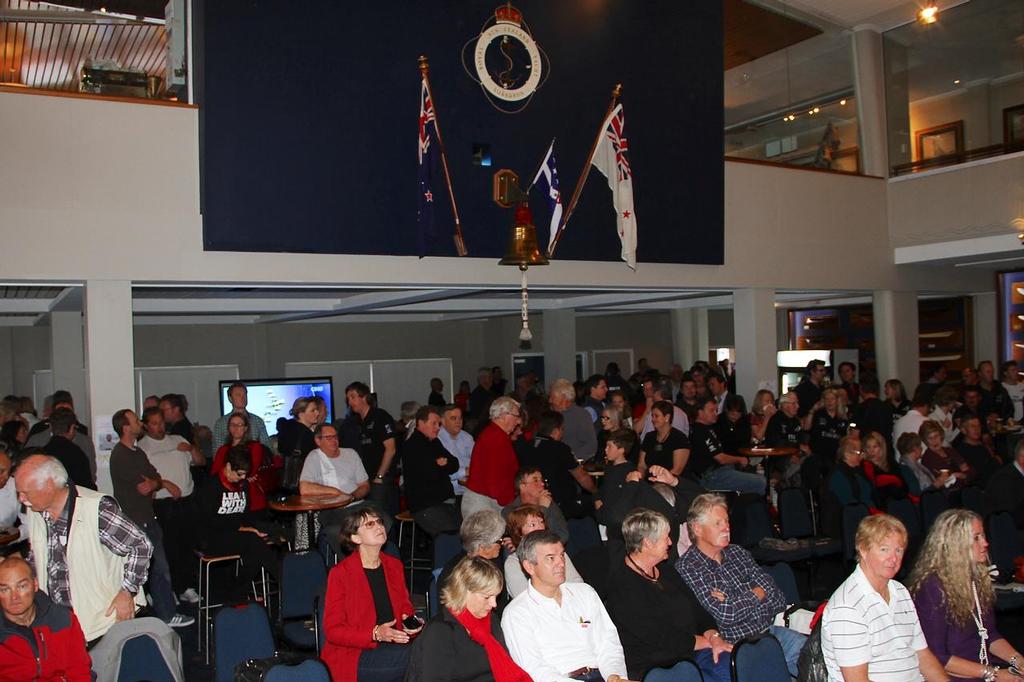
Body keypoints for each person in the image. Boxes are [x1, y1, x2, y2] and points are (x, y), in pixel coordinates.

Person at [15, 455, 152, 642]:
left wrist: (127, 591)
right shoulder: (36, 511)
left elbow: (140, 545)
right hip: (59, 621)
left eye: (25, 492)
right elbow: (39, 555)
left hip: (102, 623)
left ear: (49, 485)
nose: (21, 499)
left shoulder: (96, 509)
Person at [675, 494, 806, 677]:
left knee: (815, 656)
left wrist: (736, 600)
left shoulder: (738, 553)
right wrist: (757, 593)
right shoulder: (688, 567)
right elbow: (726, 616)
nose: (726, 528)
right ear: (697, 529)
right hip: (736, 646)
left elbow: (778, 599)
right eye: (718, 523)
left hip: (770, 633)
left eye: (727, 521)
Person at [606, 508, 732, 682]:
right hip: (656, 664)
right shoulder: (622, 586)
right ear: (648, 543)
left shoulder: (666, 571)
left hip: (692, 652)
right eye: (666, 537)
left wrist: (714, 636)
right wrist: (706, 642)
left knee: (731, 665)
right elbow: (660, 637)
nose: (670, 542)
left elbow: (698, 610)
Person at [821, 514, 948, 681]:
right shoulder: (847, 607)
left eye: (898, 550)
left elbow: (922, 655)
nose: (893, 558)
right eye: (884, 549)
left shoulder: (900, 591)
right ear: (863, 549)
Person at [501, 529, 631, 682]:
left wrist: (614, 676)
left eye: (562, 555)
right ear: (529, 567)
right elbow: (534, 670)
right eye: (551, 558)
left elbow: (608, 643)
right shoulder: (517, 613)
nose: (561, 563)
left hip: (603, 675)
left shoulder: (584, 593)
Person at [909, 509, 1024, 681]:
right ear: (956, 544)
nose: (985, 543)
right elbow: (936, 657)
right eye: (976, 538)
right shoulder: (932, 588)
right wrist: (993, 674)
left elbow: (989, 635)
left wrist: (1018, 660)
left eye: (983, 535)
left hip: (982, 671)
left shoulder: (976, 579)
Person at [108, 409, 193, 629]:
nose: (140, 423)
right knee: (157, 568)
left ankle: (161, 608)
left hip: (148, 517)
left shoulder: (137, 453)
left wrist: (157, 482)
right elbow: (144, 486)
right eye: (136, 421)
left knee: (158, 567)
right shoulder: (121, 455)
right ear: (126, 427)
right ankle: (165, 614)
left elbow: (153, 478)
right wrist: (156, 483)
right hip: (136, 521)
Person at [321, 507, 419, 682]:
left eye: (379, 522)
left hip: (393, 645)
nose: (379, 527)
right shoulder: (340, 574)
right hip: (355, 654)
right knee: (417, 657)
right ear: (355, 538)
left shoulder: (394, 566)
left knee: (431, 646)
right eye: (370, 524)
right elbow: (333, 631)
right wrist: (375, 633)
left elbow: (405, 607)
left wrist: (410, 623)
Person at [406, 555, 531, 682]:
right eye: (487, 597)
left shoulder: (491, 620)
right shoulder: (441, 630)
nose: (494, 604)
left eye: (496, 596)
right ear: (465, 592)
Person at [195, 446, 282, 597]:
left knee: (266, 540)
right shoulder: (211, 486)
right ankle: (285, 580)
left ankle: (237, 594)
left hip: (236, 535)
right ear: (228, 467)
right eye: (240, 473)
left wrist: (255, 528)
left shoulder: (243, 485)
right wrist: (243, 529)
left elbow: (245, 515)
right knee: (253, 543)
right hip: (213, 539)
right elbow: (208, 522)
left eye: (245, 474)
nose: (242, 478)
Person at [138, 407, 201, 603]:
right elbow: (143, 477)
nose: (159, 427)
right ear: (146, 425)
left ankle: (187, 586)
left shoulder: (177, 439)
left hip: (187, 500)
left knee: (188, 544)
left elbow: (200, 461)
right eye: (155, 423)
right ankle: (171, 588)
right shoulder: (143, 447)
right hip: (163, 503)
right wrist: (164, 483)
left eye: (161, 422)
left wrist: (190, 448)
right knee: (168, 548)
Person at [0, 557, 92, 680]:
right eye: (5, 589)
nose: (14, 597)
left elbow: (80, 672)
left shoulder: (63, 620)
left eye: (21, 586)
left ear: (35, 585)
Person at [299, 423, 380, 554]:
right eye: (329, 437)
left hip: (357, 504)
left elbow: (365, 486)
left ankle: (376, 560)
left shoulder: (351, 454)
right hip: (333, 510)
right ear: (318, 441)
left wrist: (352, 496)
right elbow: (305, 488)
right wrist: (336, 493)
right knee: (350, 528)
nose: (334, 440)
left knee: (383, 519)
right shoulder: (314, 457)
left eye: (335, 436)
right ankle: (354, 565)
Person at [515, 411, 597, 519]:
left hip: (529, 501)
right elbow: (581, 477)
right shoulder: (560, 449)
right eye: (562, 430)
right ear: (555, 431)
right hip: (559, 504)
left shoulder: (523, 447)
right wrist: (596, 492)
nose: (562, 434)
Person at [401, 406, 461, 537]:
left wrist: (440, 465)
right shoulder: (412, 446)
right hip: (426, 505)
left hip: (444, 501)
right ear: (421, 423)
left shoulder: (434, 442)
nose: (438, 427)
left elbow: (454, 464)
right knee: (451, 536)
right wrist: (440, 465)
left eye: (438, 424)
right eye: (433, 423)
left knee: (465, 531)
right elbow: (429, 474)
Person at [437, 511, 510, 617]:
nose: (502, 543)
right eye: (499, 541)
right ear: (482, 546)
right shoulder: (456, 573)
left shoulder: (494, 561)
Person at [502, 504, 583, 598]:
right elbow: (522, 598)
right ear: (519, 533)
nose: (540, 527)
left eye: (541, 522)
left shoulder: (557, 551)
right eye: (532, 524)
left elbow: (577, 583)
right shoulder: (514, 562)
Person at [343, 382, 399, 514]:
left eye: (353, 397)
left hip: (380, 479)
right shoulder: (355, 421)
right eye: (348, 399)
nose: (350, 402)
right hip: (365, 480)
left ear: (364, 397)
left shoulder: (380, 416)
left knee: (381, 517)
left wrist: (379, 476)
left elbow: (391, 449)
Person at [688, 398, 764, 494]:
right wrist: (740, 459)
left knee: (757, 476)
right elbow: (720, 458)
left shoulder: (707, 429)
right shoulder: (700, 431)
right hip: (711, 475)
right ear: (700, 412)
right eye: (712, 411)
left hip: (719, 470)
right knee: (760, 482)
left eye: (716, 410)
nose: (715, 413)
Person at [462, 397, 521, 517]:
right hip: (484, 504)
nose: (518, 421)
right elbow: (496, 479)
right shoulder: (497, 438)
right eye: (516, 416)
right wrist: (510, 505)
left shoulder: (492, 434)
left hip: (483, 500)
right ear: (504, 415)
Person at [211, 411, 279, 513]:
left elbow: (250, 470)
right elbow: (215, 473)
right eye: (233, 425)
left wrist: (231, 475)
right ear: (228, 427)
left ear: (246, 428)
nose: (236, 427)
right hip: (227, 499)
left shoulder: (255, 447)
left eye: (240, 424)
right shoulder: (223, 450)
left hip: (252, 498)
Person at [42, 407, 93, 490]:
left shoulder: (42, 454)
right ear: (72, 428)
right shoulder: (77, 454)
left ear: (51, 427)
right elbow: (86, 484)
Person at [212, 381, 272, 450]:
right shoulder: (221, 423)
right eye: (238, 395)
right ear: (230, 399)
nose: (243, 398)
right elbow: (218, 452)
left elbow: (267, 448)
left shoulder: (257, 421)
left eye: (244, 395)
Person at [549, 378, 598, 461]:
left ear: (563, 397)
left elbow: (591, 445)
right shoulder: (550, 415)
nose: (550, 400)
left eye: (552, 397)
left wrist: (569, 459)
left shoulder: (581, 415)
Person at [277, 396, 320, 488]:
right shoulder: (307, 435)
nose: (317, 413)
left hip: (286, 482)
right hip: (304, 482)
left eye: (317, 409)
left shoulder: (286, 429)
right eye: (313, 410)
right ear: (301, 415)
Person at [638, 400, 690, 477]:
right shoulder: (649, 437)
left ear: (667, 417)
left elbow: (677, 470)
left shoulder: (679, 438)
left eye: (656, 416)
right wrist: (641, 481)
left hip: (671, 483)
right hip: (649, 482)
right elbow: (641, 465)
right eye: (652, 416)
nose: (653, 419)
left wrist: (658, 483)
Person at [919, 420, 974, 490]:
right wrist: (961, 475)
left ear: (941, 435)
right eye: (930, 438)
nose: (934, 440)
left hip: (966, 488)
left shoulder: (949, 450)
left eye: (936, 436)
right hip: (949, 495)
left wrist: (961, 475)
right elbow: (945, 483)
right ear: (925, 441)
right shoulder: (927, 459)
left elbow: (971, 471)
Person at [986, 439, 1024, 533]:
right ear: (1022, 458)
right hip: (1007, 531)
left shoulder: (1018, 473)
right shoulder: (1004, 480)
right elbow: (1010, 515)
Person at [860, 431, 909, 505]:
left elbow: (904, 486)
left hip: (899, 501)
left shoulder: (891, 463)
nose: (872, 451)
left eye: (875, 446)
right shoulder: (865, 466)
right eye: (868, 447)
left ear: (881, 447)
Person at [897, 432, 952, 496]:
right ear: (915, 448)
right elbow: (916, 493)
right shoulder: (905, 469)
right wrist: (936, 484)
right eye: (920, 446)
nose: (921, 449)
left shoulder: (916, 465)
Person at [438, 404, 473, 499]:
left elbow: (479, 460)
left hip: (469, 490)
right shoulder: (437, 440)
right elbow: (440, 472)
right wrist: (465, 472)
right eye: (453, 418)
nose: (458, 422)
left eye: (460, 418)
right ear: (442, 421)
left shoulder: (467, 437)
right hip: (448, 494)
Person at [810, 386, 849, 465]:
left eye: (832, 399)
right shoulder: (818, 414)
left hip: (836, 456)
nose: (829, 402)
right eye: (827, 399)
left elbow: (844, 439)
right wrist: (812, 411)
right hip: (819, 455)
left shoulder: (843, 418)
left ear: (837, 401)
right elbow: (807, 428)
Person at [0, 448, 28, 546]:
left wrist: (10, 539)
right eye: (1, 471)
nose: (6, 477)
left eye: (8, 472)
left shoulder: (15, 487)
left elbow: (29, 525)